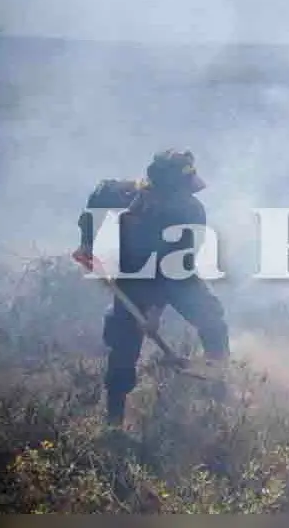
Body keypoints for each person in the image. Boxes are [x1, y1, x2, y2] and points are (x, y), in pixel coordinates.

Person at [73, 149, 230, 428]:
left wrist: (154, 311)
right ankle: (114, 423)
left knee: (211, 318)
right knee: (123, 346)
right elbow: (99, 194)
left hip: (177, 273)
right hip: (133, 276)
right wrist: (87, 242)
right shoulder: (129, 194)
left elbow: (175, 266)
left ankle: (220, 386)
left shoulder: (191, 212)